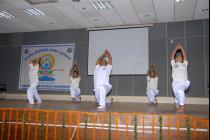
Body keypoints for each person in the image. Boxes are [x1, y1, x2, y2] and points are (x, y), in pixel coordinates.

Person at [171, 43, 190, 112]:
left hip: (183, 82)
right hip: (175, 83)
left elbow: (185, 56)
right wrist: (176, 48)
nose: (178, 57)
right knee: (177, 94)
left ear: (182, 59)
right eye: (177, 57)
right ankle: (177, 104)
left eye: (180, 57)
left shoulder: (184, 64)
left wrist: (181, 48)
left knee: (180, 91)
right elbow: (172, 56)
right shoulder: (174, 65)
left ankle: (182, 107)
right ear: (175, 59)